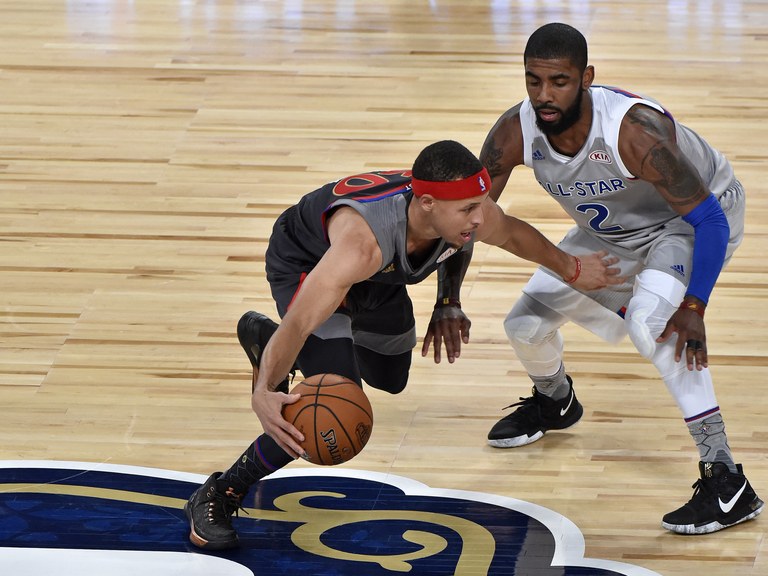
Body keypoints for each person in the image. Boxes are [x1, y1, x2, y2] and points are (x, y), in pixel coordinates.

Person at [184, 139, 618, 550]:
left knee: (390, 379)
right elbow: (298, 323)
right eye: (468, 208)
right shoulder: (361, 244)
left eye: (480, 205)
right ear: (426, 204)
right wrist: (264, 393)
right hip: (309, 266)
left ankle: (273, 342)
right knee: (326, 404)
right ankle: (219, 493)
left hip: (379, 279)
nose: (478, 218)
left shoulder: (454, 214)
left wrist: (571, 268)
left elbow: (506, 235)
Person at [480, 22, 762, 535]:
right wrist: (447, 300)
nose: (545, 95)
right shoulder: (514, 132)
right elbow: (472, 213)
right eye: (533, 80)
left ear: (586, 77)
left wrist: (695, 306)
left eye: (559, 82)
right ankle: (556, 401)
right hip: (615, 228)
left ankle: (727, 481)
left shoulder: (633, 132)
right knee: (524, 325)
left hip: (693, 217)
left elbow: (710, 221)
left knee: (654, 323)